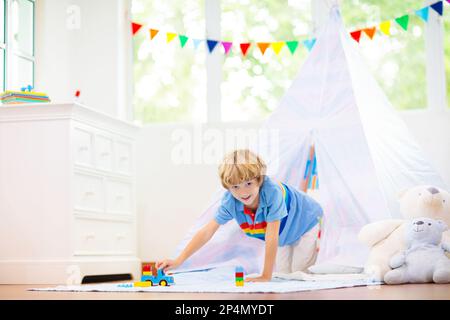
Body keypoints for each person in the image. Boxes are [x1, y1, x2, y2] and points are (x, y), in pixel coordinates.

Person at [156, 149, 323, 282]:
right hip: (284, 234)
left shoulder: (271, 192)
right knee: (282, 274)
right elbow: (207, 231)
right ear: (228, 187)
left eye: (248, 183)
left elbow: (272, 235)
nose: (243, 192)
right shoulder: (231, 201)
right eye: (235, 186)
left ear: (259, 179)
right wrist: (178, 260)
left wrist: (265, 276)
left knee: (299, 273)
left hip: (304, 224)